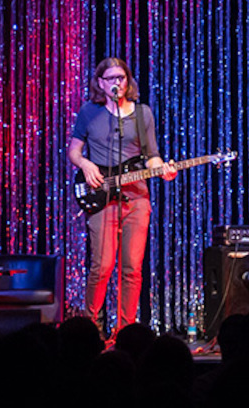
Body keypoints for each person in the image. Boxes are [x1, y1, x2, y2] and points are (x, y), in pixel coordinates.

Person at [68, 57, 176, 336]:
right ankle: (90, 330)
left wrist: (163, 170)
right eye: (111, 78)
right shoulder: (89, 113)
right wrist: (86, 164)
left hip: (136, 197)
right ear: (100, 83)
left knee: (131, 268)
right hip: (102, 196)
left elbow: (152, 156)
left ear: (128, 81)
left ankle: (125, 331)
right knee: (101, 267)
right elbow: (74, 151)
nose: (117, 83)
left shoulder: (143, 114)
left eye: (122, 78)